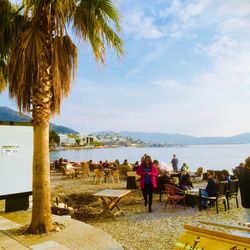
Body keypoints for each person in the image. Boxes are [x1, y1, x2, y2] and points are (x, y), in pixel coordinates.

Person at [239, 157, 250, 225]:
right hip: (248, 200)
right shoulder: (248, 173)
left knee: (248, 218)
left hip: (245, 200)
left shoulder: (242, 171)